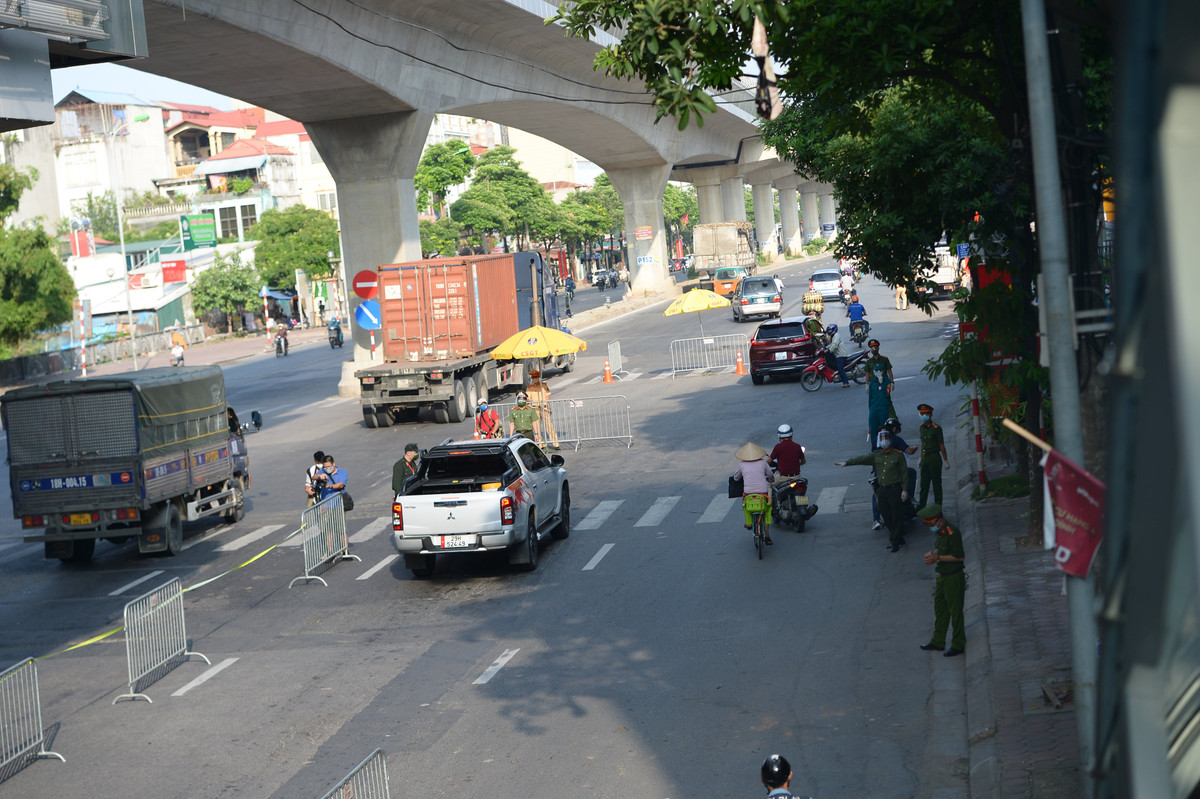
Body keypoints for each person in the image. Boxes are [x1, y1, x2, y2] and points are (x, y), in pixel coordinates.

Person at [836, 430, 910, 552]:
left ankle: (895, 541)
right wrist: (846, 463)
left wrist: (905, 490)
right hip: (882, 490)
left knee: (897, 515)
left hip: (895, 489)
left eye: (886, 438)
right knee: (885, 514)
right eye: (882, 439)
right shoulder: (876, 456)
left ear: (891, 440)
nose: (884, 441)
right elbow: (861, 459)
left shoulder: (898, 456)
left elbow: (904, 474)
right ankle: (898, 536)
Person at [920, 504, 966, 657]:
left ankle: (958, 643)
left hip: (953, 576)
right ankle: (938, 641)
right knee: (940, 610)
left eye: (932, 524)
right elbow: (942, 548)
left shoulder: (952, 533)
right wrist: (933, 553)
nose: (931, 527)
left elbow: (959, 556)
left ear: (939, 521)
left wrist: (936, 558)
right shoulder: (940, 533)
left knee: (955, 611)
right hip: (942, 576)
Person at [734, 442, 774, 544]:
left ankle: (748, 523)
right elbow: (770, 475)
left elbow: (736, 478)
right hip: (763, 493)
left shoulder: (742, 464)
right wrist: (771, 480)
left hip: (748, 494)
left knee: (745, 506)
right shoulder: (763, 463)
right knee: (766, 509)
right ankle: (767, 536)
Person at [916, 403, 950, 509]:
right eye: (922, 414)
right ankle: (921, 506)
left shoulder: (936, 428)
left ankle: (938, 506)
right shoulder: (921, 428)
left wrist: (945, 460)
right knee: (924, 484)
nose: (923, 415)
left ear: (931, 415)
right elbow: (923, 444)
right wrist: (920, 457)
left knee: (936, 484)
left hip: (934, 457)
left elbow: (941, 445)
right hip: (925, 457)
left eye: (926, 413)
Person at [525, 370, 560, 450]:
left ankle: (555, 443)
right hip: (535, 408)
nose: (535, 379)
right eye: (533, 377)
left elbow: (547, 397)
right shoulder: (530, 388)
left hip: (544, 407)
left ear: (539, 377)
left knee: (549, 426)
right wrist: (530, 401)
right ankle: (541, 444)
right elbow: (527, 398)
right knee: (537, 427)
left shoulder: (543, 386)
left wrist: (549, 407)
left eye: (536, 377)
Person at [867, 360, 894, 444]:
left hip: (883, 409)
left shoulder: (887, 381)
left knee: (884, 430)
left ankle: (884, 446)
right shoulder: (872, 382)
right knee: (873, 429)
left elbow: (887, 394)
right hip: (874, 409)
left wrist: (882, 384)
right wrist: (870, 410)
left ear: (883, 371)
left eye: (880, 370)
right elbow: (870, 398)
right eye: (876, 371)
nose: (878, 372)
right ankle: (875, 448)